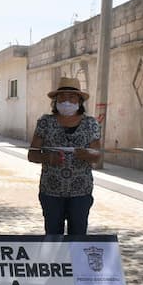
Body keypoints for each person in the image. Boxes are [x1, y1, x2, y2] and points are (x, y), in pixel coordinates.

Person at [27, 77, 101, 235]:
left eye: (72, 97)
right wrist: (47, 157)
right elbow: (32, 154)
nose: (66, 101)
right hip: (51, 190)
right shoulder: (45, 122)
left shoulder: (91, 123)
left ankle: (76, 261)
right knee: (53, 236)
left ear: (80, 101)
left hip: (81, 191)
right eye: (62, 97)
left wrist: (87, 155)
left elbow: (97, 156)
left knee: (78, 236)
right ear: (55, 101)